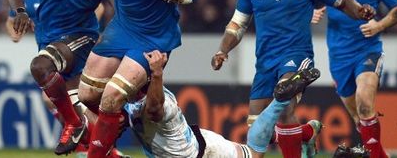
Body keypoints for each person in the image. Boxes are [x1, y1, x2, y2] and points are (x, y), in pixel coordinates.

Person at [0, 0, 217, 158]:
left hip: (151, 38)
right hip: (122, 30)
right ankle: (116, 121)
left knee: (111, 96)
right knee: (86, 95)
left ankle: (98, 148)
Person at [210, 0, 375, 158]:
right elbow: (237, 24)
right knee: (257, 133)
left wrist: (361, 11)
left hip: (296, 56)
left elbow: (342, 2)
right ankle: (307, 133)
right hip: (265, 62)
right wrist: (222, 50)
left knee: (284, 99)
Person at [5, 0, 116, 156]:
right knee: (84, 112)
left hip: (81, 40)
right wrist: (20, 13)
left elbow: (116, 6)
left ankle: (73, 125)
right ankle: (110, 151)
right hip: (51, 44)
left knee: (40, 67)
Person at [127, 49, 320, 158]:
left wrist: (157, 72)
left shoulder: (160, 103)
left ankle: (281, 100)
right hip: (198, 141)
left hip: (197, 154)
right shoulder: (130, 95)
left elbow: (153, 110)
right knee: (254, 150)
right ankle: (303, 130)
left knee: (254, 153)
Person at [316, 0, 397, 158]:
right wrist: (312, 12)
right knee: (359, 118)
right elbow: (305, 2)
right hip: (338, 57)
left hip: (367, 51)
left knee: (365, 102)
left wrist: (379, 25)